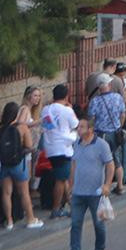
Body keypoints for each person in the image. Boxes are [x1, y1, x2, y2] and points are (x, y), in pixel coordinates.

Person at [61, 117, 114, 250]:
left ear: (90, 129)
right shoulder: (77, 144)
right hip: (78, 192)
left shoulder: (101, 145)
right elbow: (73, 165)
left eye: (82, 127)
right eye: (78, 127)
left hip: (95, 193)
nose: (78, 130)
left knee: (99, 224)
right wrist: (70, 187)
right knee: (75, 224)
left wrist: (107, 185)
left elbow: (110, 165)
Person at [0, 102, 43, 231]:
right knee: (24, 192)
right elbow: (29, 146)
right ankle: (30, 219)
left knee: (6, 193)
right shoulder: (22, 128)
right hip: (18, 164)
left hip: (4, 165)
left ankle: (9, 221)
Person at [41, 84, 79, 218]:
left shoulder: (46, 110)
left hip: (50, 147)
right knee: (61, 179)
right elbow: (75, 125)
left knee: (63, 178)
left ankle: (69, 204)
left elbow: (48, 126)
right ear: (66, 96)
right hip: (63, 148)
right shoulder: (67, 111)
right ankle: (56, 208)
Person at [87, 73, 126, 192]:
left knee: (102, 162)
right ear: (109, 85)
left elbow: (91, 118)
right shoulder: (118, 97)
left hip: (101, 134)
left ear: (99, 87)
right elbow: (123, 114)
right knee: (116, 159)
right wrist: (119, 125)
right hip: (115, 132)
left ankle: (104, 186)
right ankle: (120, 186)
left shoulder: (95, 101)